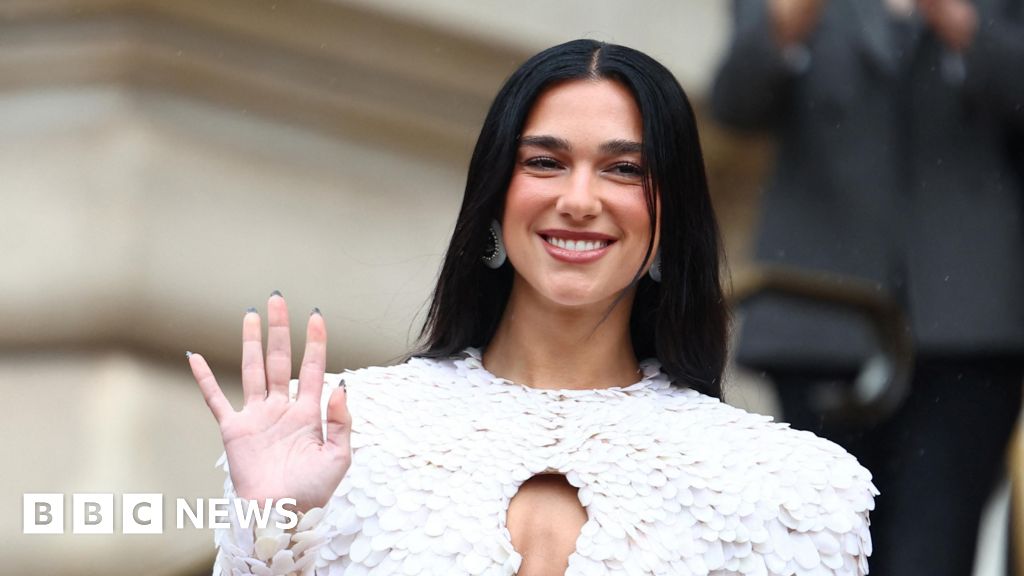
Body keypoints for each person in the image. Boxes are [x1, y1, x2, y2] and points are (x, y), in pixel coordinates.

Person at [189, 39, 876, 576]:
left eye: (624, 169)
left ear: (672, 220)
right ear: (495, 198)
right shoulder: (337, 432)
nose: (578, 200)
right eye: (545, 162)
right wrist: (267, 528)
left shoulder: (793, 490)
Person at [711, 0, 1024, 574]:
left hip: (970, 320)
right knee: (815, 547)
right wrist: (791, 18)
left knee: (933, 551)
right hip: (818, 312)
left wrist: (958, 21)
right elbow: (735, 101)